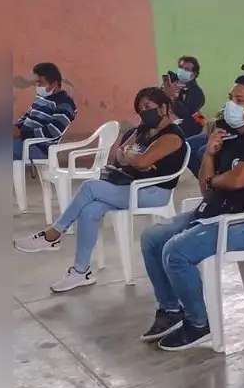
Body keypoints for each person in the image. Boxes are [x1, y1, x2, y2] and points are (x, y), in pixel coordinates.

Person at [138, 75, 244, 351]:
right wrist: (208, 155)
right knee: (152, 238)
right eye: (231, 98)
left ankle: (198, 323)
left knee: (176, 251)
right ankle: (170, 309)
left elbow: (237, 179)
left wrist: (215, 180)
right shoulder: (228, 136)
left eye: (239, 100)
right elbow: (207, 191)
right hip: (215, 212)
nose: (231, 105)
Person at [14, 87, 187, 291]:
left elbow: (140, 161)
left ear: (164, 108)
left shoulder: (172, 136)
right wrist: (134, 157)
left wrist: (135, 158)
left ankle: (54, 233)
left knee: (89, 187)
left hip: (152, 192)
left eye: (148, 106)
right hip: (128, 186)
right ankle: (81, 271)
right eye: (140, 108)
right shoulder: (142, 129)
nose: (143, 112)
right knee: (90, 210)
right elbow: (119, 155)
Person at [13, 62, 77, 162]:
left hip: (39, 148)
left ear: (54, 84)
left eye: (40, 82)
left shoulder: (65, 104)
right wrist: (16, 128)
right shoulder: (41, 97)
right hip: (24, 141)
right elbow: (27, 116)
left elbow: (53, 131)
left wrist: (22, 134)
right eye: (36, 82)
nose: (37, 85)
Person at [164, 55, 205, 137]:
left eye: (186, 69)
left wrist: (174, 97)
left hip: (185, 131)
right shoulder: (171, 83)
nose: (182, 71)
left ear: (193, 74)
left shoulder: (197, 93)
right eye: (180, 67)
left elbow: (185, 115)